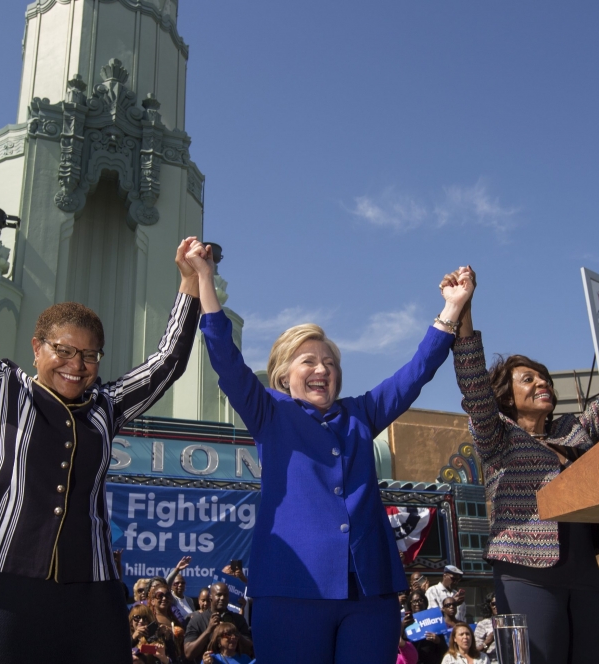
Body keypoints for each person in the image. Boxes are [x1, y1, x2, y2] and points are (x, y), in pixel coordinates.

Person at [0, 170, 202, 664]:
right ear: (37, 348)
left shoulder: (105, 405)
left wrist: (188, 287)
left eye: (91, 356)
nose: (77, 365)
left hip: (88, 589)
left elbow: (168, 363)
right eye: (64, 350)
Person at [188, 240, 475, 663]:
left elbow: (414, 373)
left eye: (331, 362)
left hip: (369, 593)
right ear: (283, 375)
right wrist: (204, 279)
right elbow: (226, 359)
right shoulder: (269, 411)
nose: (323, 369)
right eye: (309, 361)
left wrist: (451, 309)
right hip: (291, 589)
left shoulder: (361, 414)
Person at [451, 269, 599, 664]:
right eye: (528, 379)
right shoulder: (497, 435)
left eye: (544, 378)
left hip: (584, 574)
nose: (543, 383)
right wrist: (463, 310)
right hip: (526, 574)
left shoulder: (574, 429)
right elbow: (473, 383)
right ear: (506, 397)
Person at [183, 583, 252, 664]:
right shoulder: (197, 620)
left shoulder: (238, 619)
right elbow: (188, 654)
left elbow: (249, 649)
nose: (222, 598)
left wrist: (234, 631)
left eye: (225, 595)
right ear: (210, 597)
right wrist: (208, 630)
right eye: (219, 595)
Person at [408, 589, 447, 664]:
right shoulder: (406, 622)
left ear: (425, 603)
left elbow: (445, 648)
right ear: (410, 605)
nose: (417, 603)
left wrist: (438, 641)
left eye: (420, 600)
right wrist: (402, 627)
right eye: (414, 601)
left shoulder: (434, 619)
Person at [473, 593, 497, 662]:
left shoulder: (509, 622)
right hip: (490, 661)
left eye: (498, 603)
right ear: (489, 606)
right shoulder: (483, 624)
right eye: (493, 604)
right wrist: (488, 641)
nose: (496, 606)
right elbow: (476, 652)